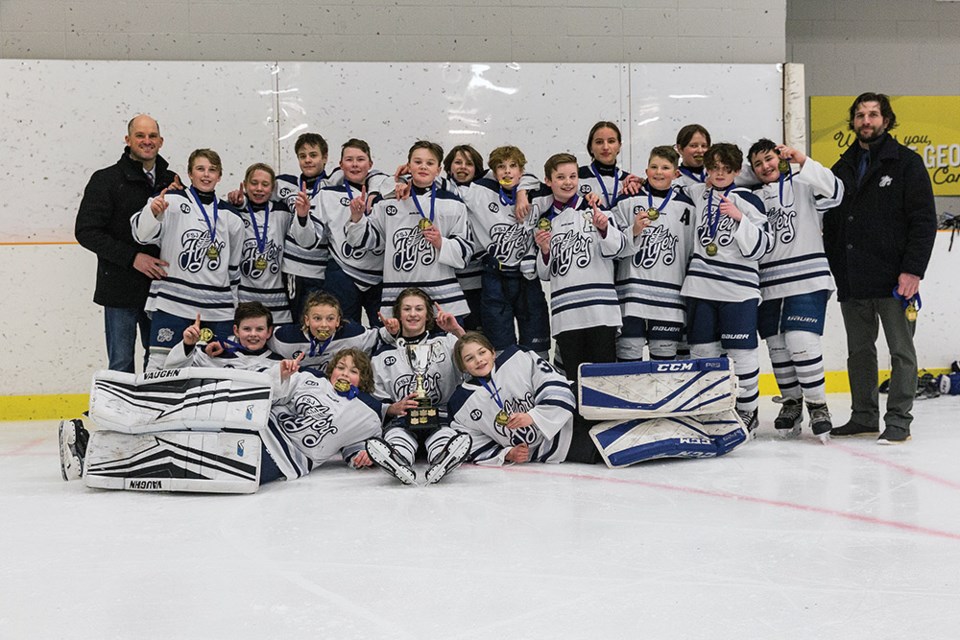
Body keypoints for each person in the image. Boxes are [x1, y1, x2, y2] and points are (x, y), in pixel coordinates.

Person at [823, 92, 937, 444]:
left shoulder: (906, 163)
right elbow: (832, 223)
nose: (866, 121)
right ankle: (864, 416)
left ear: (886, 120)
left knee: (902, 352)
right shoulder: (841, 167)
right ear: (853, 122)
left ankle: (899, 420)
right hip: (853, 279)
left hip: (895, 279)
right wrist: (836, 270)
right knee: (859, 352)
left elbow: (923, 221)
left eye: (873, 115)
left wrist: (912, 271)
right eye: (860, 115)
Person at [529, 153, 631, 462]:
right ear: (549, 181)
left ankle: (609, 436)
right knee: (573, 378)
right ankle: (583, 441)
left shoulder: (599, 211)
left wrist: (603, 228)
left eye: (572, 176)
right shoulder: (547, 221)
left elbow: (620, 248)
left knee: (602, 378)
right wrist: (544, 249)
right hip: (566, 314)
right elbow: (544, 272)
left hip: (600, 310)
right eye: (560, 177)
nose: (567, 182)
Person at [748, 139, 844, 442]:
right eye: (757, 164)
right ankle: (791, 402)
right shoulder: (751, 196)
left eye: (769, 159)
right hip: (769, 282)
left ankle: (818, 405)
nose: (765, 167)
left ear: (781, 157)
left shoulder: (804, 182)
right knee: (777, 345)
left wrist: (801, 158)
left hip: (808, 277)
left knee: (801, 340)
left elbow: (837, 191)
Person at [75, 114, 179, 373]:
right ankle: (117, 412)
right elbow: (86, 231)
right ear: (128, 140)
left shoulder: (172, 180)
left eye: (152, 136)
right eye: (140, 136)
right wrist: (133, 258)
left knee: (160, 362)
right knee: (121, 362)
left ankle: (152, 412)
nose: (147, 141)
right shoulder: (105, 179)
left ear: (161, 141)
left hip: (161, 289)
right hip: (120, 288)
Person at [681, 143, 770, 433]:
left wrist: (740, 217)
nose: (719, 174)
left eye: (726, 169)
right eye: (714, 168)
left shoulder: (748, 200)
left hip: (738, 290)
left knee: (740, 353)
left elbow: (764, 245)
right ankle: (708, 409)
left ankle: (747, 411)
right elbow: (668, 182)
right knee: (702, 351)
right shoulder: (697, 193)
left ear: (735, 170)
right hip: (701, 287)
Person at [131, 148, 244, 370]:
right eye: (200, 169)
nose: (206, 175)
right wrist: (152, 213)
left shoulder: (231, 215)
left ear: (220, 176)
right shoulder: (170, 201)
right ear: (190, 173)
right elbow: (142, 236)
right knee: (160, 368)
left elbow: (233, 267)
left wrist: (234, 306)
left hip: (217, 309)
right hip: (173, 304)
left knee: (216, 370)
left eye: (212, 170)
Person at [345, 140, 474, 319]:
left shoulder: (453, 204)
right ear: (408, 166)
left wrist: (440, 242)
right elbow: (367, 242)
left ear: (438, 170)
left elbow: (466, 253)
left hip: (443, 298)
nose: (423, 167)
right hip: (398, 296)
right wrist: (357, 218)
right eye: (417, 162)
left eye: (430, 163)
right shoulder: (387, 202)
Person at [364, 288, 472, 485]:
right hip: (402, 420)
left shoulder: (446, 342)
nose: (413, 314)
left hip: (441, 416)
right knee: (397, 434)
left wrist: (455, 330)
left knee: (443, 434)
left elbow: (474, 362)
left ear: (427, 314)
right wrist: (391, 408)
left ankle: (442, 456)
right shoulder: (382, 355)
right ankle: (399, 459)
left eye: (419, 309)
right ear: (398, 314)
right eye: (407, 309)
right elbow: (376, 398)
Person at [454, 145, 550, 357]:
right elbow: (442, 185)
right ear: (493, 172)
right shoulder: (479, 192)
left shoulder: (536, 193)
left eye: (513, 166)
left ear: (521, 170)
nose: (507, 171)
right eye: (501, 167)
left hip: (527, 277)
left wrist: (523, 192)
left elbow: (557, 184)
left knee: (536, 342)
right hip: (494, 274)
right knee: (499, 343)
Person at [610, 145, 695, 361]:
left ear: (676, 173)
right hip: (631, 295)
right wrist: (633, 232)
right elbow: (611, 244)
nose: (658, 172)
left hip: (670, 297)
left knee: (665, 358)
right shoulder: (626, 201)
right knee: (628, 354)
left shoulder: (688, 206)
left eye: (665, 167)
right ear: (645, 170)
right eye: (654, 167)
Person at [448, 332, 574, 465]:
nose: (478, 360)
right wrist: (507, 453)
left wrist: (533, 417)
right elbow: (470, 441)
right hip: (537, 456)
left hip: (569, 428)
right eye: (469, 359)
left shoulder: (518, 358)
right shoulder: (460, 404)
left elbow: (556, 384)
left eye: (482, 352)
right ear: (463, 367)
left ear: (493, 352)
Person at [314, 139, 394, 325]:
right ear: (341, 165)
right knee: (343, 332)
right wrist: (302, 217)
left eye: (360, 159)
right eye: (349, 160)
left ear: (370, 164)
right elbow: (310, 238)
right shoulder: (327, 194)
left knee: (386, 331)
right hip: (343, 273)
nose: (355, 164)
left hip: (382, 275)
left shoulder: (388, 194)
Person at [231, 163, 313, 324]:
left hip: (278, 301)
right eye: (254, 183)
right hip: (244, 298)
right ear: (245, 185)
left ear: (273, 188)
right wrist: (237, 203)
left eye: (265, 184)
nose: (259, 188)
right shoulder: (234, 210)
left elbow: (305, 236)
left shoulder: (283, 212)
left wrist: (302, 214)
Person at [269, 291, 397, 370]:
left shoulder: (352, 334)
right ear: (307, 320)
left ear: (338, 321)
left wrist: (391, 330)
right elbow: (261, 339)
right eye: (317, 318)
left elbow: (380, 337)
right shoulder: (285, 338)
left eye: (330, 319)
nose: (324, 325)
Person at [164, 301, 285, 372]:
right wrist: (187, 345)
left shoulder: (279, 364)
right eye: (247, 329)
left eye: (259, 329)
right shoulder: (211, 353)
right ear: (236, 331)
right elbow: (173, 372)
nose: (253, 334)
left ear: (269, 332)